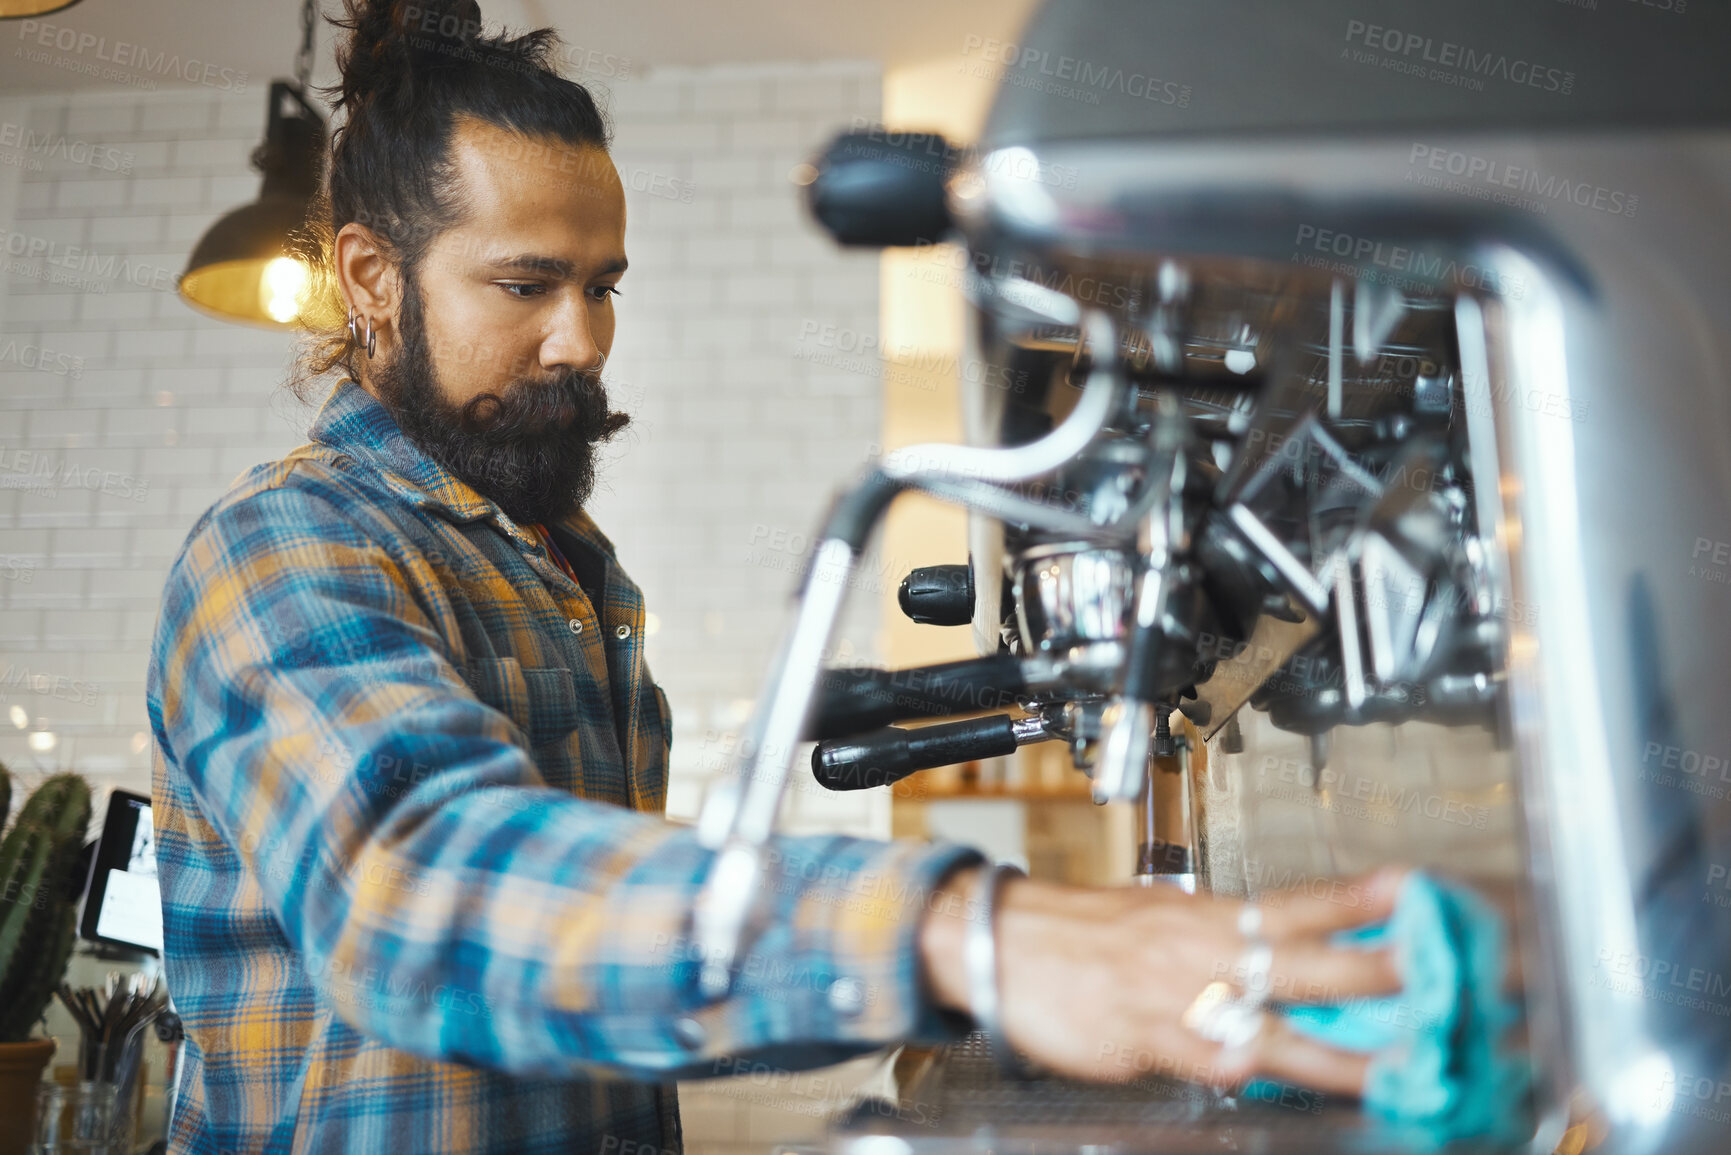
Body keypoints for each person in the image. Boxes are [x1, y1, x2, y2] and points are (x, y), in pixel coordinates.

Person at [144, 1, 1408, 1151]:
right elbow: (425, 893)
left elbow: (604, 965)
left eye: (603, 288)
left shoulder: (572, 573)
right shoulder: (284, 550)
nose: (581, 342)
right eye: (525, 285)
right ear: (373, 279)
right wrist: (972, 936)